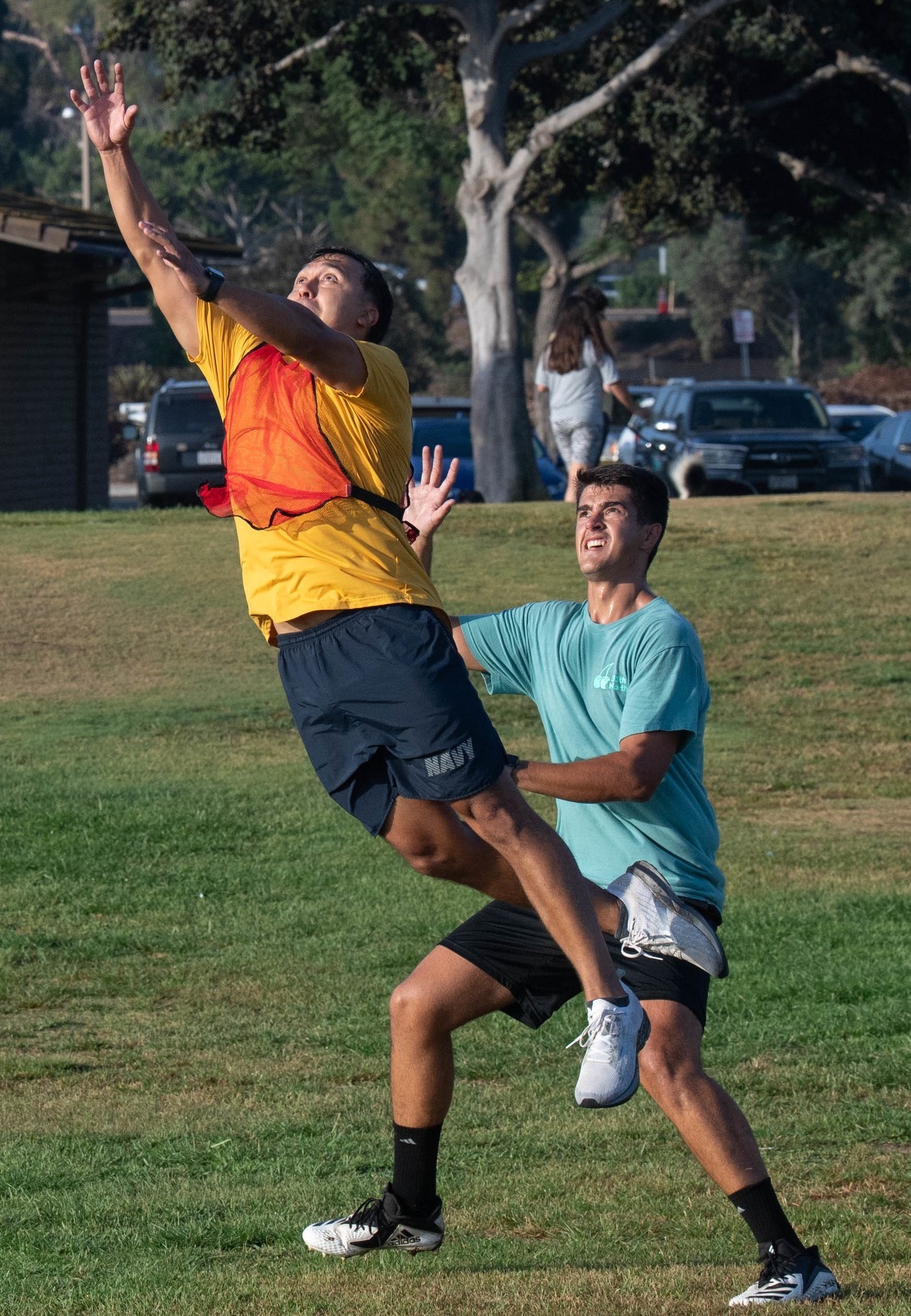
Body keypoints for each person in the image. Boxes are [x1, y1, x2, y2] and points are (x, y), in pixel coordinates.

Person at [71, 60, 727, 1110]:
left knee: (491, 805)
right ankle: (614, 920)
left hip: (380, 615)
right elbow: (157, 256)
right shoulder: (238, 364)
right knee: (428, 842)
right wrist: (113, 152)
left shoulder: (364, 376)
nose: (306, 283)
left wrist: (220, 286)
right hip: (298, 642)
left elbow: (279, 321)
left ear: (368, 314)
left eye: (330, 277)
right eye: (301, 274)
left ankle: (609, 998)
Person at [302, 463, 839, 1309]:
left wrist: (510, 773)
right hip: (567, 892)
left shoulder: (663, 636)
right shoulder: (546, 628)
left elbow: (636, 773)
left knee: (666, 1064)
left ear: (651, 533)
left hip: (660, 896)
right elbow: (425, 648)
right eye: (584, 511)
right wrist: (418, 541)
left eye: (612, 514)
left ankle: (791, 1260)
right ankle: (412, 1212)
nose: (590, 525)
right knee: (417, 1005)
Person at [535, 289, 648, 501]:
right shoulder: (595, 349)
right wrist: (634, 409)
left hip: (558, 419)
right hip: (586, 417)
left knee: (574, 473)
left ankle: (576, 514)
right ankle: (571, 520)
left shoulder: (550, 350)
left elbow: (541, 387)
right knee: (578, 478)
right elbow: (613, 384)